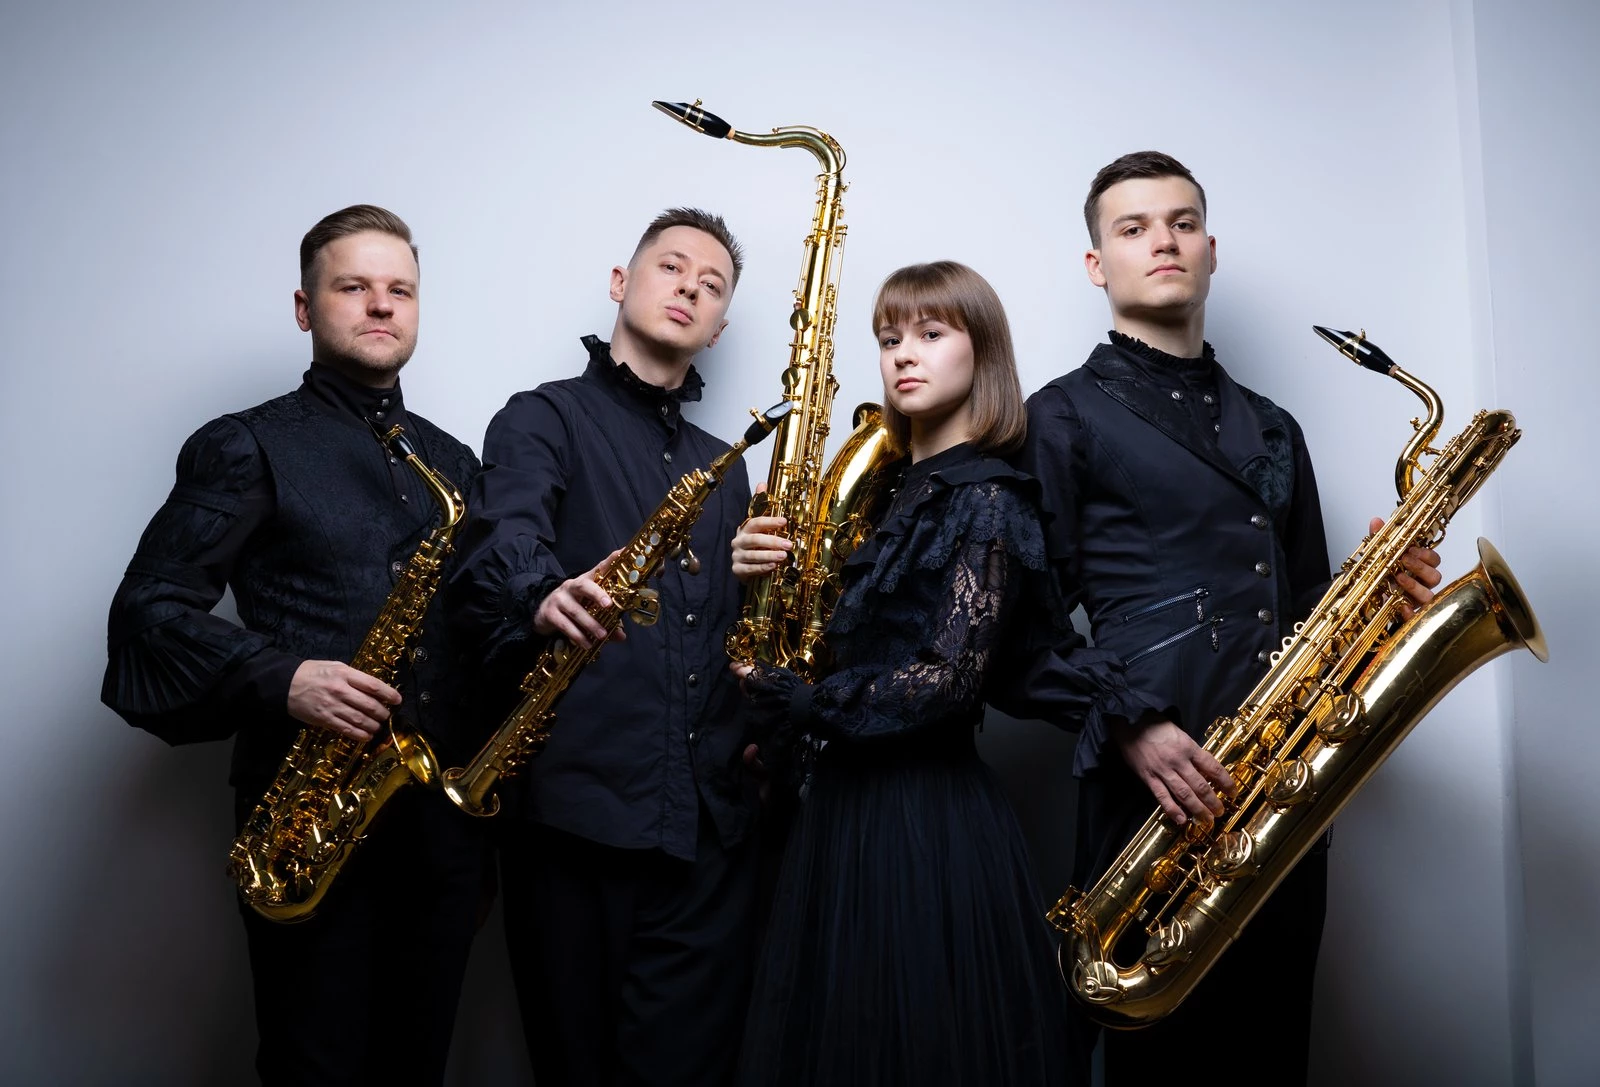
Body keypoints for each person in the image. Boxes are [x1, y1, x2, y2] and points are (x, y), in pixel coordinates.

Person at [1006, 152, 1443, 1084]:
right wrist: (1130, 723)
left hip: (1282, 790)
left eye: (1183, 222)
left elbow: (1310, 609)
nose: (1163, 241)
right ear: (1097, 265)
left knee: (1274, 1051)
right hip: (1155, 793)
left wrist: (1382, 603)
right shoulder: (1059, 417)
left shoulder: (1276, 425)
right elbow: (1016, 636)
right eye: (1133, 228)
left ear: (1211, 250)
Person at [102, 204, 488, 1085]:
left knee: (419, 1064)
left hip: (438, 827)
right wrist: (284, 678)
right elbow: (146, 613)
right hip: (307, 819)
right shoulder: (246, 444)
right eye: (354, 286)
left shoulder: (455, 462)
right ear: (305, 308)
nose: (381, 305)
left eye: (400, 290)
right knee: (315, 1063)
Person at [730, 261, 1075, 1086]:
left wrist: (806, 701)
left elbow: (950, 680)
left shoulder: (990, 499)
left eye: (930, 332)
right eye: (889, 339)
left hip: (923, 816)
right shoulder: (888, 495)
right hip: (837, 809)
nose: (903, 354)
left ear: (982, 350)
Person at [446, 208, 758, 1087]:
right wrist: (542, 591)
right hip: (577, 815)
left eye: (712, 285)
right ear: (622, 283)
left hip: (709, 832)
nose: (689, 287)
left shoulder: (728, 467)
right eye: (671, 267)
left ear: (719, 326)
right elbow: (504, 537)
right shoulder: (542, 416)